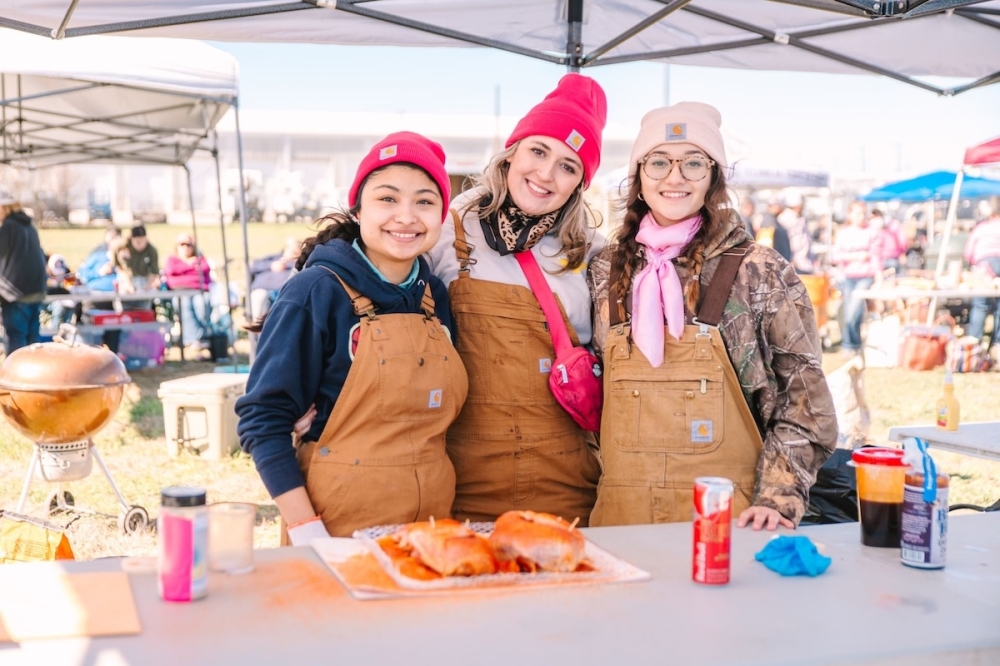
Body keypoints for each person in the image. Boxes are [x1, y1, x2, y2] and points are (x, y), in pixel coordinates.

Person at [586, 102, 837, 530]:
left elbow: (807, 406)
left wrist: (777, 499)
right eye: (659, 162)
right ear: (639, 177)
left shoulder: (761, 271)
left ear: (714, 177)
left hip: (729, 522)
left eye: (694, 163)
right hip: (619, 522)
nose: (674, 177)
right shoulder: (605, 270)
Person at [236, 132, 466, 544]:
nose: (407, 216)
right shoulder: (315, 291)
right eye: (388, 199)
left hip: (430, 532)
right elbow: (263, 419)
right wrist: (307, 531)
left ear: (441, 216)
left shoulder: (436, 298)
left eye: (425, 201)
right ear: (359, 209)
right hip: (337, 531)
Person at [426, 73, 607, 525]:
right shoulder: (447, 231)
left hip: (564, 476)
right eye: (538, 151)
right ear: (511, 154)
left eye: (568, 165)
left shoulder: (595, 253)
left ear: (579, 184)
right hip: (463, 476)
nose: (546, 174)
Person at [830, 202, 880, 357]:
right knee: (850, 311)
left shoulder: (872, 232)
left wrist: (879, 279)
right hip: (848, 276)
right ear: (850, 215)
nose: (861, 217)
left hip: (865, 276)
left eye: (863, 213)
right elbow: (834, 256)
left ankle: (851, 344)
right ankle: (853, 344)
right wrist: (855, 256)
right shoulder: (843, 233)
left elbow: (876, 257)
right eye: (857, 213)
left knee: (854, 311)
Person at [0, 190, 47, 353]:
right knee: (33, 337)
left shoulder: (8, 228)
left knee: (16, 337)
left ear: (3, 208)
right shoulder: (29, 227)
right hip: (36, 289)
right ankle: (34, 376)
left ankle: (15, 376)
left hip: (16, 293)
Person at [163, 232, 213, 348]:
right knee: (183, 305)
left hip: (198, 291)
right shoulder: (172, 259)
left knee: (201, 304)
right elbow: (171, 271)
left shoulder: (200, 258)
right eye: (182, 244)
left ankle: (204, 336)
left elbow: (205, 269)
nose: (185, 247)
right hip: (179, 292)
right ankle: (193, 339)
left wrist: (183, 271)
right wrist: (191, 267)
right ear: (177, 246)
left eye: (188, 244)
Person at [964, 204, 1000, 350]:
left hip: (984, 263)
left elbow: (968, 252)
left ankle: (974, 343)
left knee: (980, 304)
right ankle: (998, 344)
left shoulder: (981, 228)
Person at [248, 236, 302, 321]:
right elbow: (253, 265)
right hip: (261, 290)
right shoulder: (274, 258)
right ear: (286, 249)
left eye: (296, 253)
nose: (293, 254)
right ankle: (258, 330)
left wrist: (288, 264)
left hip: (282, 294)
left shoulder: (298, 265)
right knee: (259, 296)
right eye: (292, 251)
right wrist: (271, 265)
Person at [112, 224, 160, 293]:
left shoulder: (151, 250)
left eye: (143, 241)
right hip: (126, 277)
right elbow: (119, 267)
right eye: (137, 242)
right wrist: (128, 284)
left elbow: (154, 272)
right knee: (123, 291)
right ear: (131, 239)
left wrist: (146, 288)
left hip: (144, 278)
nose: (141, 244)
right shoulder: (121, 247)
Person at [777, 189, 815, 274]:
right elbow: (786, 242)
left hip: (804, 263)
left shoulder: (799, 218)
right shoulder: (784, 218)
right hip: (794, 264)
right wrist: (790, 260)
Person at [870, 209, 907, 276]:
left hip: (881, 258)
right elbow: (903, 241)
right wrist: (902, 252)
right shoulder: (895, 224)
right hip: (891, 257)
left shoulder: (872, 225)